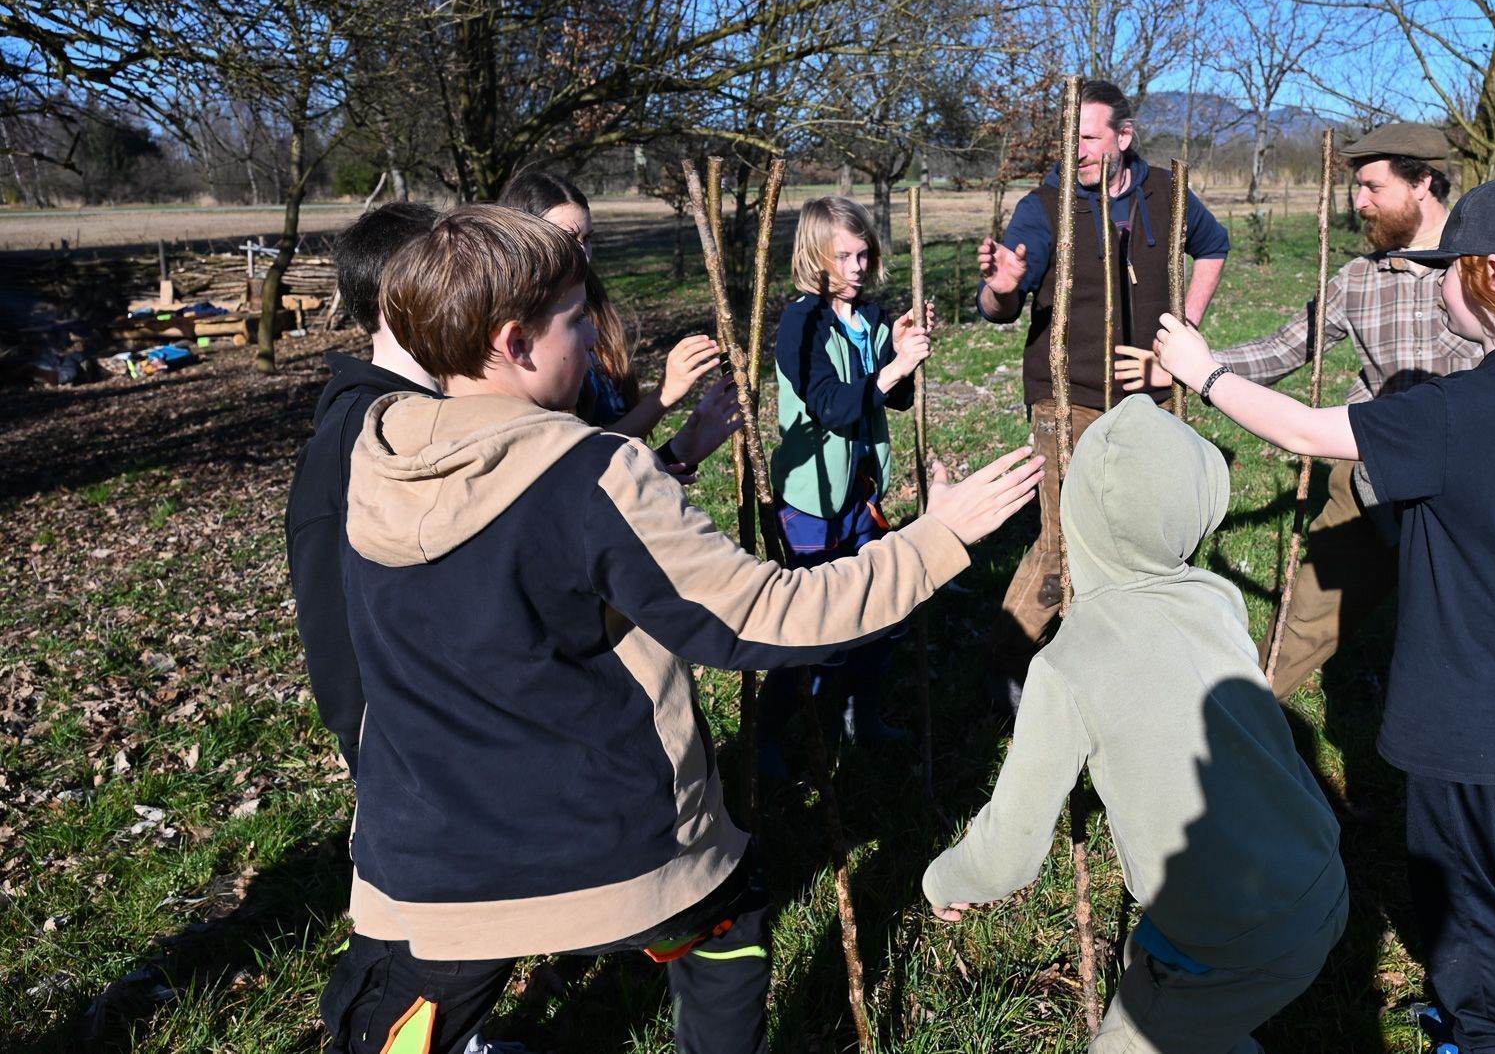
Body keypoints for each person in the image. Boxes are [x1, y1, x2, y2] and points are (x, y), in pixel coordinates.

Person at [319, 205, 1042, 1054]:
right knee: (727, 919)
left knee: (411, 998)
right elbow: (761, 616)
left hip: (421, 851)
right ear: (515, 343)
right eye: (577, 320)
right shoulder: (592, 475)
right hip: (601, 845)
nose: (593, 338)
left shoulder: (374, 454)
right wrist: (937, 538)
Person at [1133, 175, 1495, 1054]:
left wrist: (1204, 372)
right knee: (1494, 870)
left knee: (1460, 892)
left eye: (1449, 271)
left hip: (1465, 715)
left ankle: (1492, 1033)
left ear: (1493, 276)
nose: (1436, 288)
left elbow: (1306, 432)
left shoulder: (1460, 409)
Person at [1115, 123, 1495, 822]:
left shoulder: (1486, 280)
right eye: (1356, 186)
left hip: (1474, 499)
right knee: (1304, 618)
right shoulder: (1357, 280)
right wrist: (1195, 367)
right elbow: (1283, 350)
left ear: (1423, 183)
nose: (1359, 201)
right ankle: (1227, 729)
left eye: (1373, 185)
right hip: (1368, 478)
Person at [924, 395, 1347, 1053]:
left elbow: (1010, 846)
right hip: (1318, 873)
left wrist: (947, 879)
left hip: (1233, 931)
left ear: (1076, 514)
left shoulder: (1067, 666)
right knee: (1168, 992)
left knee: (1139, 1034)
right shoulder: (1216, 601)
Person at [974, 79, 1230, 706]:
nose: (1077, 151)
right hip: (1069, 397)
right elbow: (1001, 304)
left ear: (1124, 135)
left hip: (1153, 397)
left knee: (1146, 535)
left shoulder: (1166, 192)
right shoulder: (1044, 205)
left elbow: (1213, 246)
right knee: (1064, 545)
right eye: (1069, 138)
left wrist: (1184, 332)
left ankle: (1122, 662)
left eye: (1089, 138)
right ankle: (1004, 670)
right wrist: (1002, 289)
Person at [760, 197, 930, 771]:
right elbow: (830, 404)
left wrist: (900, 350)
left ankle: (862, 717)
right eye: (843, 256)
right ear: (814, 257)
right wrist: (893, 368)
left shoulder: (871, 318)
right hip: (812, 499)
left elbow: (893, 398)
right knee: (815, 624)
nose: (856, 267)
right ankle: (771, 735)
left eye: (864, 255)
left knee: (880, 609)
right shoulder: (802, 324)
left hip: (861, 492)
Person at [286, 202, 439, 775]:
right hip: (411, 749)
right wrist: (367, 746)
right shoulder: (353, 442)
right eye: (455, 279)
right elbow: (329, 609)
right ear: (404, 297)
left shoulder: (445, 411)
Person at [499, 170, 725, 442]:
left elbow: (613, 435)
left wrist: (676, 452)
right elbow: (578, 449)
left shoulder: (595, 305)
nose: (583, 254)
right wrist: (663, 395)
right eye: (566, 239)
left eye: (587, 238)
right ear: (523, 242)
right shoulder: (528, 333)